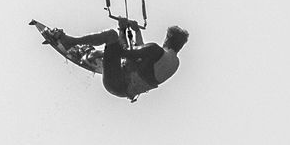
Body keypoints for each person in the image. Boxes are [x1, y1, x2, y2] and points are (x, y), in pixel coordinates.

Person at [48, 21, 189, 101]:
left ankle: (70, 42)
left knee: (111, 35)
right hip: (123, 90)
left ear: (167, 38)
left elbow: (125, 53)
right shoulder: (173, 63)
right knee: (117, 48)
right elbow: (140, 58)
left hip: (117, 82)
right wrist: (136, 32)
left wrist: (121, 30)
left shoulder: (155, 50)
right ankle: (94, 55)